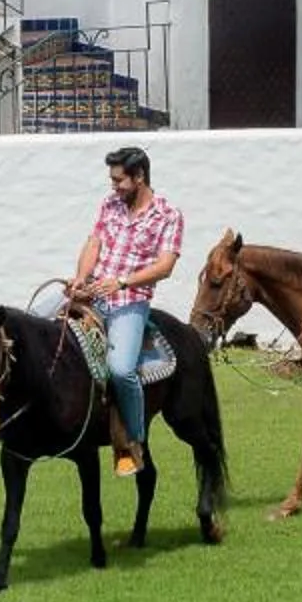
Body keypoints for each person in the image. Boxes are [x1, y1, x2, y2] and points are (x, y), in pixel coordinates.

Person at [72, 145, 182, 477]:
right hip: (93, 293)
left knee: (121, 370)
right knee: (36, 323)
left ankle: (132, 443)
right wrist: (80, 279)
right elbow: (94, 243)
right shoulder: (110, 205)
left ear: (139, 177)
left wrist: (121, 282)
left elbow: (165, 267)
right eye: (112, 180)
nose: (114, 187)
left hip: (130, 301)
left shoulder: (168, 215)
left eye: (119, 180)